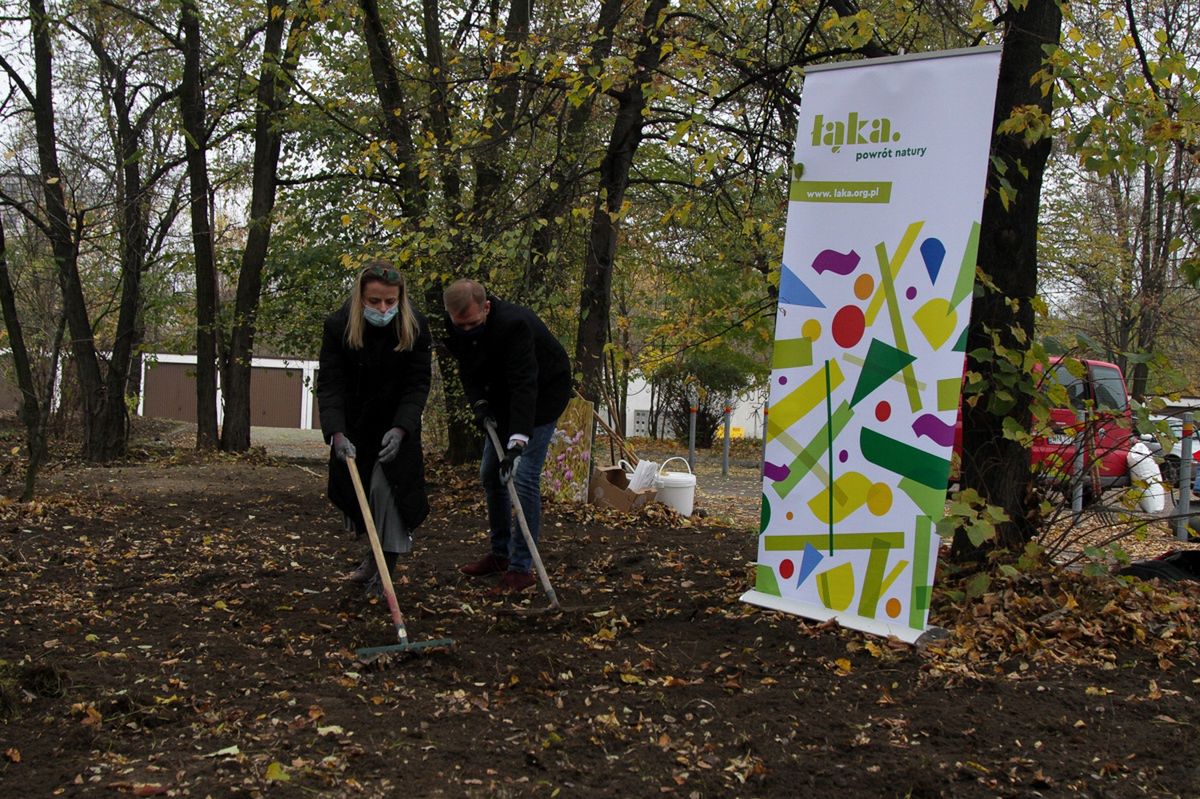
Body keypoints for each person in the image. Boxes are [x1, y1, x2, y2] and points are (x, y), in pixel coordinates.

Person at [443, 278, 572, 593]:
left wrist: (516, 443)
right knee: (491, 473)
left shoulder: (515, 325)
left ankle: (520, 568)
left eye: (473, 323)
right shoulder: (458, 326)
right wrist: (480, 404)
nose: (467, 331)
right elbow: (468, 370)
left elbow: (524, 384)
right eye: (461, 325)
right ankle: (500, 554)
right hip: (502, 400)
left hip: (542, 397)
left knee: (522, 476)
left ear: (486, 307)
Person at [317, 260, 432, 597]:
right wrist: (336, 433)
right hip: (354, 425)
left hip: (397, 425)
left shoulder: (415, 327)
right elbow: (330, 384)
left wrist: (401, 429)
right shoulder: (339, 326)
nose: (383, 308)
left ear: (401, 298)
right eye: (375, 301)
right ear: (360, 298)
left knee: (388, 492)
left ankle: (387, 570)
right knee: (361, 494)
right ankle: (374, 555)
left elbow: (417, 384)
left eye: (391, 302)